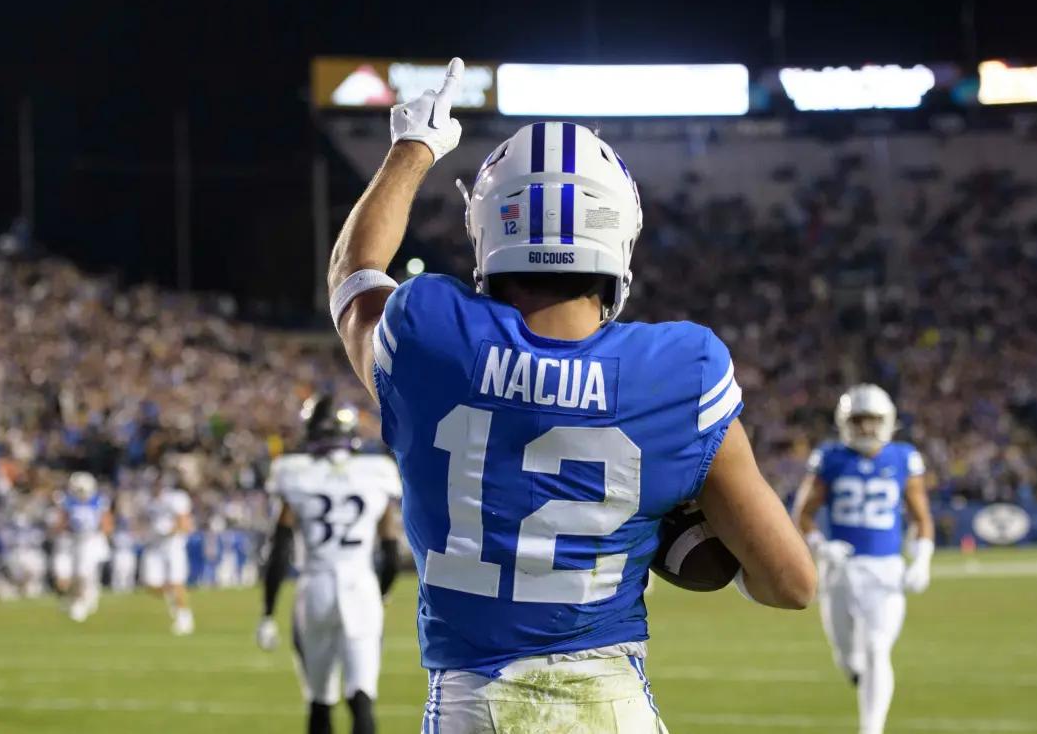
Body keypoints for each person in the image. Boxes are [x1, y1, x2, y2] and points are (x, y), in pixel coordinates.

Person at [327, 58, 816, 733]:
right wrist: (689, 534)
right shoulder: (681, 370)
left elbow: (354, 277)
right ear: (619, 238)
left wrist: (414, 146)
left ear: (490, 233)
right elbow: (791, 584)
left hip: (475, 705)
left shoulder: (431, 336)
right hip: (610, 704)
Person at [792, 384, 935, 734]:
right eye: (859, 421)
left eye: (873, 421)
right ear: (845, 423)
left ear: (888, 421)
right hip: (839, 569)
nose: (867, 429)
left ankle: (871, 729)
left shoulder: (903, 457)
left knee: (876, 648)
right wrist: (819, 545)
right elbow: (803, 514)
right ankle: (854, 672)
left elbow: (921, 519)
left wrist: (922, 560)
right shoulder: (829, 458)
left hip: (885, 569)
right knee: (846, 655)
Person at [256, 395, 403, 734]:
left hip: (315, 588)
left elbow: (279, 551)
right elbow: (392, 554)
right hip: (360, 585)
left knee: (320, 699)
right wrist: (379, 594)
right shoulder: (377, 472)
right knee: (361, 696)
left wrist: (267, 612)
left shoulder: (293, 472)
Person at [52, 472, 112, 622]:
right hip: (70, 540)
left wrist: (102, 537)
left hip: (89, 540)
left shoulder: (99, 501)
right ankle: (74, 599)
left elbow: (106, 523)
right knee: (63, 576)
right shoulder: (66, 501)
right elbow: (62, 521)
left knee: (83, 574)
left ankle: (80, 602)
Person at [140, 471, 195, 635]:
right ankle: (174, 600)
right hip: (155, 546)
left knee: (176, 582)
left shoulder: (176, 498)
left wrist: (168, 531)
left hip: (173, 545)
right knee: (150, 583)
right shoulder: (148, 501)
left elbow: (185, 523)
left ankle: (184, 617)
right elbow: (143, 522)